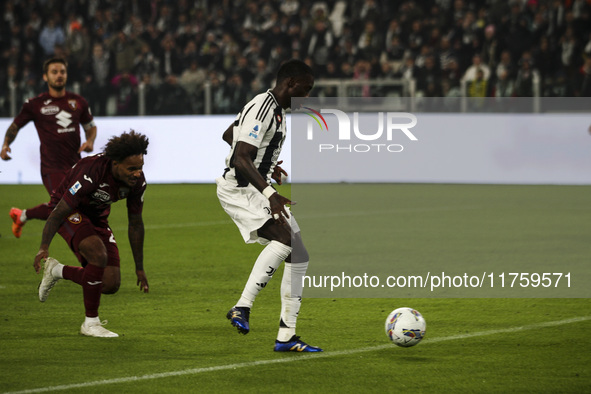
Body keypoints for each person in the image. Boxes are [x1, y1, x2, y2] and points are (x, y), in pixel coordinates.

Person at [216, 59, 322, 352]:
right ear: (290, 84)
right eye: (306, 89)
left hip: (255, 186)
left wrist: (264, 165)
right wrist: (267, 189)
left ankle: (287, 337)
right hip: (240, 189)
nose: (308, 96)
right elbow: (239, 156)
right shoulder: (263, 106)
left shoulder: (277, 111)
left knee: (299, 255)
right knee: (287, 241)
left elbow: (230, 134)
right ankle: (242, 307)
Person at [33, 131, 150, 338]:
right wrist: (44, 246)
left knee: (110, 283)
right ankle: (91, 323)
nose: (137, 173)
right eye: (132, 168)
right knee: (98, 254)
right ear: (115, 163)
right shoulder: (91, 171)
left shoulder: (137, 184)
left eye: (140, 167)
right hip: (69, 211)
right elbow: (59, 210)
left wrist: (139, 268)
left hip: (97, 218)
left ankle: (57, 270)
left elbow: (135, 224)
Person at [1, 57, 97, 238]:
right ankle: (81, 245)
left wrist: (90, 140)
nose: (59, 75)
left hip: (76, 165)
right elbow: (15, 126)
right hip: (51, 167)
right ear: (45, 77)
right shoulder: (34, 104)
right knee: (65, 205)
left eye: (62, 71)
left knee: (78, 204)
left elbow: (90, 126)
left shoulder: (78, 102)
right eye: (54, 72)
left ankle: (21, 215)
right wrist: (6, 144)